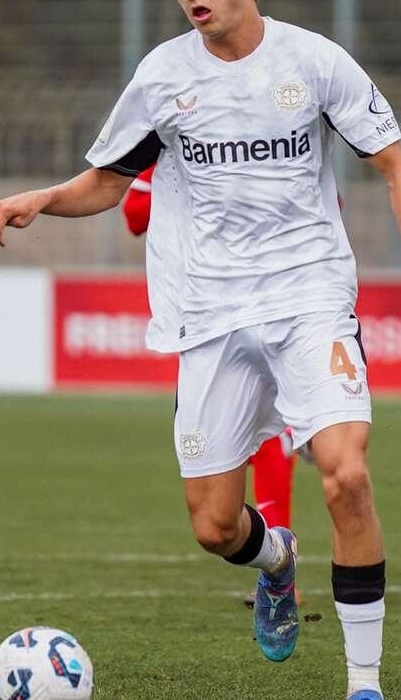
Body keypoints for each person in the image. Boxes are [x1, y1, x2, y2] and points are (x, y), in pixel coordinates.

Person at [0, 0, 401, 700]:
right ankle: (274, 558)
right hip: (208, 309)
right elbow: (109, 180)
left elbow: (398, 168)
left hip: (311, 293)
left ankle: (365, 689)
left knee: (345, 472)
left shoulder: (314, 62)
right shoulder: (163, 77)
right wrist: (43, 199)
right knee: (213, 527)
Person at [123, 165, 300, 608]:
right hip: (203, 319)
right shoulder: (170, 141)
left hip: (276, 303)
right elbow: (132, 211)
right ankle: (278, 554)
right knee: (211, 520)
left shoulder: (282, 138)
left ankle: (296, 579)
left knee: (338, 463)